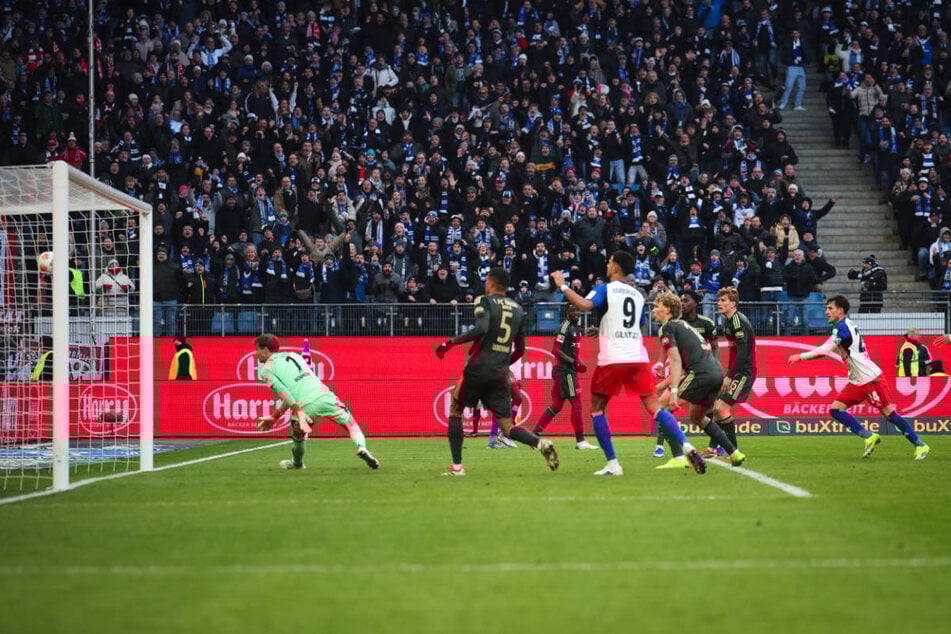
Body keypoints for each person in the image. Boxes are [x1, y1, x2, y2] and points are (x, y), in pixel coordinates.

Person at [552, 251, 691, 476]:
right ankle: (686, 446)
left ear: (615, 267)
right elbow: (635, 324)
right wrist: (603, 329)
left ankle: (613, 464)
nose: (607, 265)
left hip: (613, 358)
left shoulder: (606, 287)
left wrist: (562, 286)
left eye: (609, 262)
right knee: (654, 407)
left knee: (597, 410)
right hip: (638, 356)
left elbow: (586, 305)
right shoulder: (637, 294)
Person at [434, 267, 559, 476]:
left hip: (478, 366)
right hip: (501, 372)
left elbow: (482, 328)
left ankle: (457, 467)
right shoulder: (519, 310)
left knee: (455, 409)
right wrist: (503, 362)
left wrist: (450, 343)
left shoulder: (484, 300)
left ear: (490, 283)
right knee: (507, 425)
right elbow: (520, 349)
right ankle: (540, 443)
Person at [786, 296, 929, 460]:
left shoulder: (842, 328)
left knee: (889, 413)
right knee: (836, 409)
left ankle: (920, 445)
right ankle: (869, 436)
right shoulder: (843, 326)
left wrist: (801, 356)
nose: (826, 312)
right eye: (826, 308)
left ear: (840, 310)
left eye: (830, 308)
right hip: (857, 379)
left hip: (869, 378)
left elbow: (824, 350)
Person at [253, 334, 381, 470]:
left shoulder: (266, 370)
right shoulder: (295, 355)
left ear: (266, 350)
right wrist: (275, 416)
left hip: (305, 405)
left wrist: (295, 411)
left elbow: (285, 392)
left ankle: (297, 464)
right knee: (351, 424)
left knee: (298, 437)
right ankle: (362, 448)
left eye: (257, 349)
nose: (256, 354)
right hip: (325, 396)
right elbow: (296, 388)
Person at [652, 292, 746, 469]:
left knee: (661, 407)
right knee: (696, 416)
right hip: (715, 373)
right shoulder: (684, 327)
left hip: (701, 374)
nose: (654, 309)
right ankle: (734, 453)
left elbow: (675, 360)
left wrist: (671, 391)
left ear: (668, 309)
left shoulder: (668, 328)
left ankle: (679, 457)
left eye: (657, 306)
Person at [652, 289, 717, 462]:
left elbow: (678, 361)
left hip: (695, 373)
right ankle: (730, 450)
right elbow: (670, 354)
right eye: (681, 300)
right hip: (691, 371)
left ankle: (682, 451)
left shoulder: (700, 323)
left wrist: (667, 387)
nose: (683, 303)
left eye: (686, 300)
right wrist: (660, 362)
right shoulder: (677, 324)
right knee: (693, 413)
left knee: (663, 406)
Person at [532, 305, 599, 450]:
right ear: (567, 313)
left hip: (563, 371)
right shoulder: (564, 327)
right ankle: (580, 441)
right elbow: (555, 350)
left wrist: (579, 362)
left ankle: (533, 436)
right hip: (565, 371)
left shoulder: (575, 328)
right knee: (577, 405)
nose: (576, 313)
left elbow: (573, 350)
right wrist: (573, 362)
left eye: (577, 311)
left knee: (556, 406)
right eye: (572, 311)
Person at [705, 287, 757, 458]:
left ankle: (733, 451)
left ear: (733, 304)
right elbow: (734, 352)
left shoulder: (738, 322)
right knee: (717, 408)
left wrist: (729, 376)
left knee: (720, 408)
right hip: (736, 371)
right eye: (719, 300)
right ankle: (714, 448)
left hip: (744, 372)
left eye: (723, 300)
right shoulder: (728, 323)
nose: (719, 303)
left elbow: (742, 354)